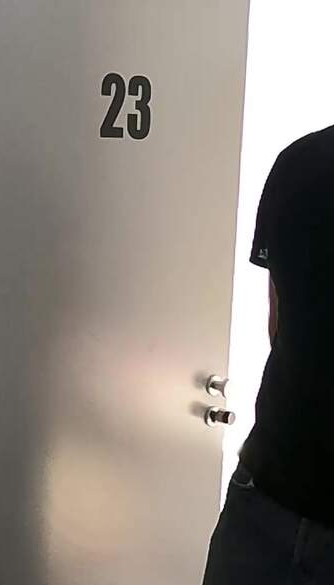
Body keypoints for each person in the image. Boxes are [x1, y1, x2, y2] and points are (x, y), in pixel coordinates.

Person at [203, 123, 334, 583]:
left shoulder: (301, 161)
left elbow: (279, 326)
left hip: (265, 499)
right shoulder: (303, 163)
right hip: (265, 509)